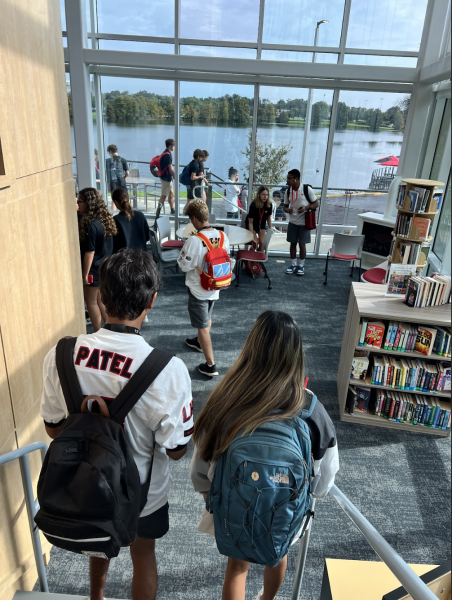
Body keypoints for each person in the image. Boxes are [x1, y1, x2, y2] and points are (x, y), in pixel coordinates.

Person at [40, 248, 194, 600]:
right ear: (152, 301)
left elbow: (52, 429)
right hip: (143, 495)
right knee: (143, 556)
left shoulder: (61, 354)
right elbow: (175, 451)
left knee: (98, 544)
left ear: (102, 297)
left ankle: (96, 596)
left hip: (82, 485)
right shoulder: (168, 370)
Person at [190, 310, 339, 600]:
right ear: (296, 355)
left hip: (233, 506)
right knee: (278, 553)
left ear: (250, 348)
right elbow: (323, 482)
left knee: (236, 565)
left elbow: (200, 471)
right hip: (285, 511)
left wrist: (213, 497)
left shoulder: (225, 399)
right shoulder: (311, 409)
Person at [177, 200, 230, 377]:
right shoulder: (223, 236)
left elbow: (183, 266)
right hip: (215, 286)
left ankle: (210, 365)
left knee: (202, 326)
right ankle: (199, 342)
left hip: (198, 289)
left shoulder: (194, 240)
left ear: (194, 218)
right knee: (206, 318)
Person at [77, 187, 117, 332]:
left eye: (79, 201)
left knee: (91, 302)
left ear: (88, 203)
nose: (78, 204)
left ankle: (97, 332)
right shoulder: (105, 220)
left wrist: (84, 275)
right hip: (104, 267)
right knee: (101, 301)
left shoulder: (92, 225)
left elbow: (90, 252)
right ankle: (109, 329)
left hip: (93, 269)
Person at [283, 169, 318, 276]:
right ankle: (293, 264)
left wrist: (306, 207)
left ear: (296, 179)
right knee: (292, 243)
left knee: (302, 245)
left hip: (304, 223)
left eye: (289, 178)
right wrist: (287, 210)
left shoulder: (307, 189)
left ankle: (301, 266)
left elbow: (316, 204)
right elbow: (284, 207)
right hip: (293, 222)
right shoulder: (288, 191)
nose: (287, 181)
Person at [112, 188, 150, 253]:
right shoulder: (140, 215)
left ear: (116, 203)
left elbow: (115, 245)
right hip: (142, 258)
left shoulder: (116, 220)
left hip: (125, 259)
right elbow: (147, 237)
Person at [247, 185, 272, 250]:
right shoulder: (253, 205)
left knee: (262, 242)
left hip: (262, 224)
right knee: (255, 243)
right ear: (259, 195)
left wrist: (270, 228)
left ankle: (259, 257)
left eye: (267, 195)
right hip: (253, 224)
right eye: (263, 194)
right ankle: (250, 257)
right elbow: (250, 222)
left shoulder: (269, 205)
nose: (265, 197)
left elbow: (268, 217)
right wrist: (251, 234)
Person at [156, 138, 176, 219]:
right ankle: (158, 212)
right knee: (163, 196)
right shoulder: (168, 155)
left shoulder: (164, 153)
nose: (174, 147)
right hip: (166, 178)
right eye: (174, 145)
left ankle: (172, 210)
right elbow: (171, 169)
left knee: (171, 194)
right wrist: (175, 177)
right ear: (170, 146)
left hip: (165, 177)